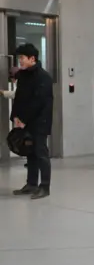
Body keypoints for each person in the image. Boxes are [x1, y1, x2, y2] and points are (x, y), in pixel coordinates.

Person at [11, 43, 53, 199]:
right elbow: (19, 98)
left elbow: (39, 102)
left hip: (40, 122)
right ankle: (31, 184)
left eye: (22, 58)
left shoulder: (44, 77)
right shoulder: (22, 76)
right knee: (30, 153)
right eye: (19, 58)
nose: (20, 61)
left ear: (32, 58)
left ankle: (45, 186)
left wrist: (24, 119)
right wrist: (15, 116)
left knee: (41, 153)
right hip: (26, 121)